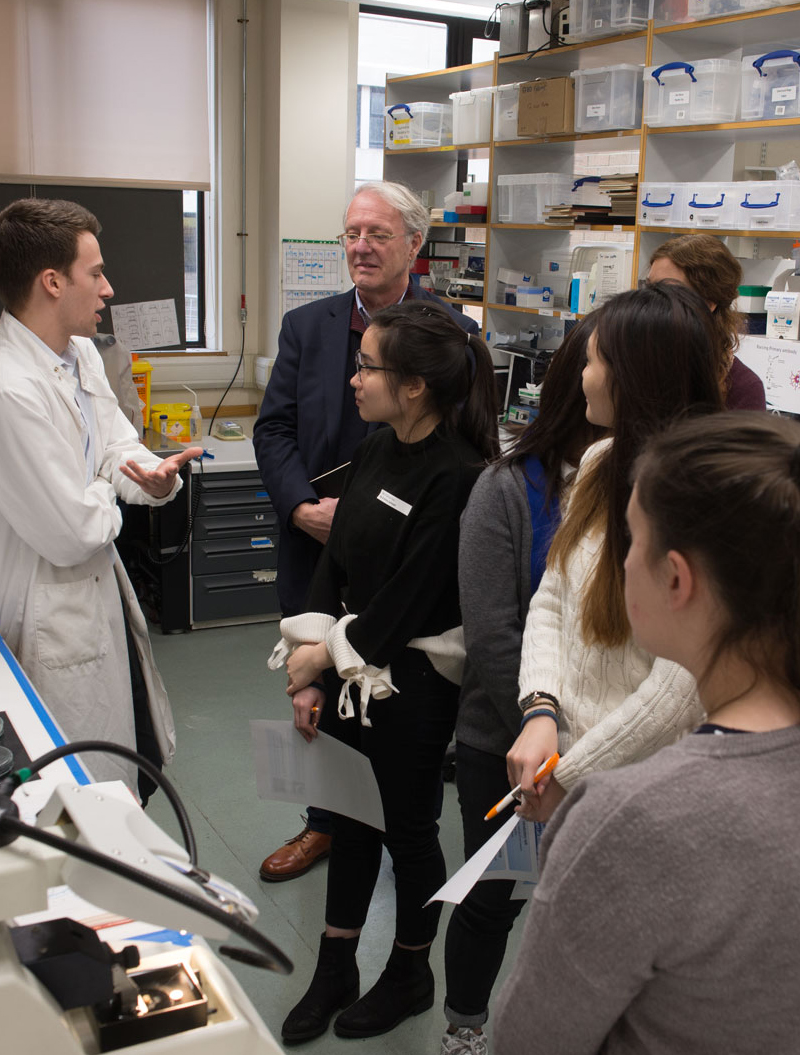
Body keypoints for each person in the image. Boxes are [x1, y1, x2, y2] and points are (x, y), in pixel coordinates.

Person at [494, 413, 800, 1055]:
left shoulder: (634, 819)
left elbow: (530, 1040)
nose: (618, 561)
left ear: (677, 579)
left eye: (629, 539)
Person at [272, 301, 498, 1045]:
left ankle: (408, 970)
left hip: (410, 686)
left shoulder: (460, 476)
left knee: (406, 828)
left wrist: (323, 654)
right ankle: (335, 966)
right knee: (343, 815)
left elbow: (407, 600)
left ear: (415, 388)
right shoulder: (374, 450)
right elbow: (332, 561)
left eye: (368, 367)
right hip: (346, 664)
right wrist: (307, 662)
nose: (354, 378)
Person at [254, 181, 480, 882]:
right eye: (352, 232)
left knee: (394, 744)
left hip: (409, 564)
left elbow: (470, 445)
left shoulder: (455, 337)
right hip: (322, 549)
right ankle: (323, 824)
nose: (360, 247)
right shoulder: (308, 326)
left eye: (378, 234)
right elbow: (276, 428)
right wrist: (300, 508)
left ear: (414, 244)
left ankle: (386, 830)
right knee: (316, 699)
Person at [0, 198, 199, 793]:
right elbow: (72, 534)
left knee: (126, 764)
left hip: (99, 602)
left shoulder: (79, 353)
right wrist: (105, 483)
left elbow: (119, 447)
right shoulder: (4, 392)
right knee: (72, 791)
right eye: (96, 273)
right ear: (52, 281)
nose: (108, 288)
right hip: (51, 620)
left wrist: (153, 477)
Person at [505, 280, 723, 824]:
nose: (581, 374)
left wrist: (571, 776)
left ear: (631, 376)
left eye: (593, 359)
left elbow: (680, 688)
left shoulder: (701, 498)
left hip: (642, 790)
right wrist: (540, 711)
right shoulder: (601, 462)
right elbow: (553, 595)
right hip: (560, 762)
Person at [441, 323, 601, 1054]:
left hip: (605, 746)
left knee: (587, 908)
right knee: (493, 897)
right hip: (507, 741)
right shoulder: (508, 488)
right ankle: (465, 1027)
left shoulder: (646, 484)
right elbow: (497, 636)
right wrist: (551, 732)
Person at [646, 234, 765, 410]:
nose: (650, 300)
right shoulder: (635, 361)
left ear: (708, 302)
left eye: (666, 290)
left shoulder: (743, 388)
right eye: (650, 287)